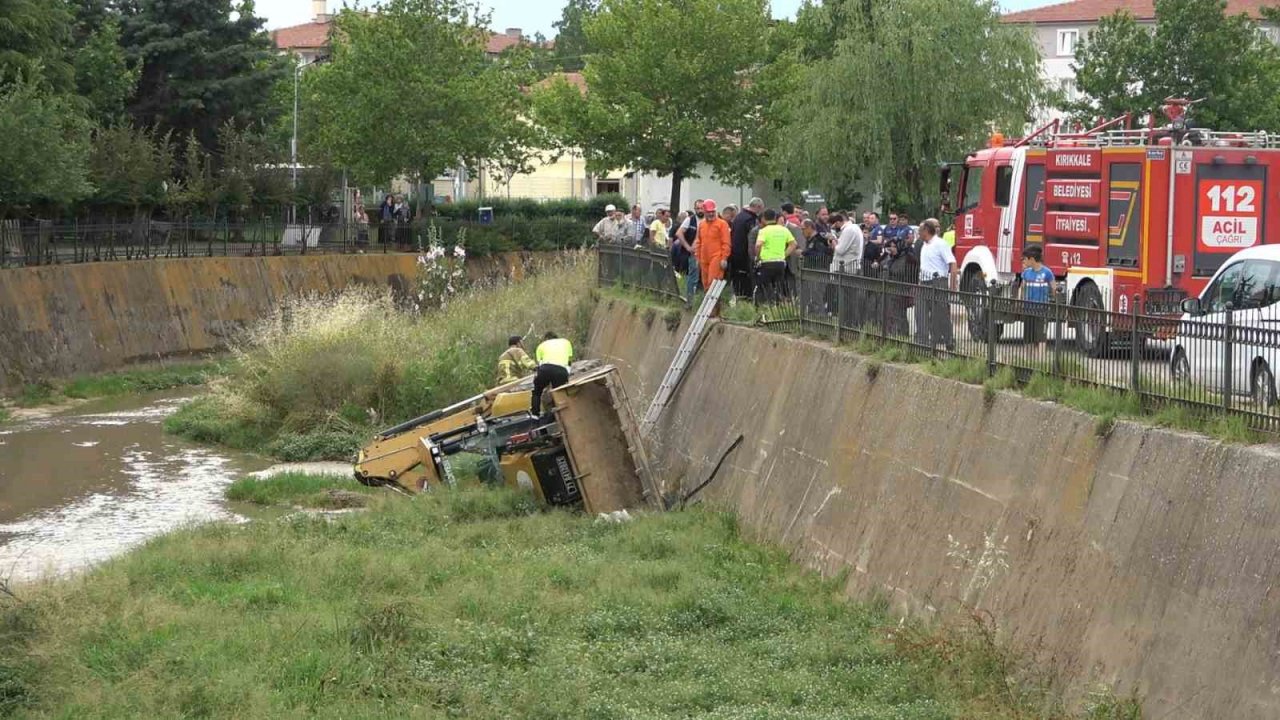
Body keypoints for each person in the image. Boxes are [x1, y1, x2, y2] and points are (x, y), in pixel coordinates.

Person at [917, 218, 957, 351]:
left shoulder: (940, 244)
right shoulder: (924, 245)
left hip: (938, 282)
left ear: (926, 231)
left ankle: (948, 341)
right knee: (921, 312)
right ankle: (923, 342)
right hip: (925, 282)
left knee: (941, 314)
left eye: (920, 230)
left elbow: (952, 263)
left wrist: (952, 286)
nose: (918, 233)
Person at [755, 210, 797, 302]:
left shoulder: (763, 231)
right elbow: (793, 244)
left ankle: (767, 305)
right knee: (778, 286)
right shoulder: (784, 229)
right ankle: (777, 307)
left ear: (764, 219)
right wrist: (784, 254)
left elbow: (758, 245)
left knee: (765, 286)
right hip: (780, 263)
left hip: (767, 263)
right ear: (775, 218)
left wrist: (757, 257)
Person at [1020, 244, 1054, 350]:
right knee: (1028, 338)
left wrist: (1052, 300)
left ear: (1032, 259)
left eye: (1025, 259)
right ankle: (1028, 362)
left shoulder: (1047, 272)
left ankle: (1040, 362)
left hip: (1042, 309)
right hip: (1028, 308)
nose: (1024, 261)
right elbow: (1022, 287)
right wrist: (1020, 301)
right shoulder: (1026, 273)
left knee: (1041, 337)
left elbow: (1054, 288)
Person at [532, 332, 574, 417]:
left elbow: (540, 364)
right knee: (559, 392)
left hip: (545, 368)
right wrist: (567, 373)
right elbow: (569, 360)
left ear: (546, 339)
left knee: (537, 392)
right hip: (560, 370)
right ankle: (561, 415)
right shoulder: (566, 342)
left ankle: (535, 415)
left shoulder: (541, 346)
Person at [729, 197, 762, 299]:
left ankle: (740, 299)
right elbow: (752, 239)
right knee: (746, 283)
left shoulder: (739, 217)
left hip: (735, 254)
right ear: (758, 207)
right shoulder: (750, 220)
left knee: (738, 282)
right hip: (744, 255)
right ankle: (746, 301)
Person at [696, 199, 731, 293]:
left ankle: (715, 307)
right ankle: (709, 306)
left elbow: (726, 242)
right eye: (708, 212)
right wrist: (698, 257)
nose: (711, 214)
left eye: (713, 212)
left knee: (713, 283)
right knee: (705, 284)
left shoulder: (722, 224)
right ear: (704, 212)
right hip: (704, 258)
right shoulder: (702, 224)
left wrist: (724, 258)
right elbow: (699, 242)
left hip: (717, 257)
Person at [676, 201, 703, 301]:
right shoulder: (689, 220)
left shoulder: (709, 220)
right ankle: (690, 299)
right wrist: (688, 247)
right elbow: (679, 233)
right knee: (693, 276)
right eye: (698, 208)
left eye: (702, 208)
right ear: (695, 209)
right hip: (693, 254)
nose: (700, 210)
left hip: (705, 253)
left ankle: (699, 299)